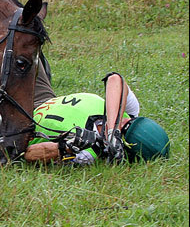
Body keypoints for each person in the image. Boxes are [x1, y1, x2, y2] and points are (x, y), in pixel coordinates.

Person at [25, 60, 170, 165]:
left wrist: (64, 147)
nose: (125, 120)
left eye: (127, 126)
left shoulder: (89, 154)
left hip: (20, 118)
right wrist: (114, 130)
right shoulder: (125, 110)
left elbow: (30, 154)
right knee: (25, 46)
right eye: (130, 121)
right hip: (44, 96)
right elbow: (115, 79)